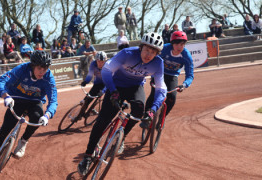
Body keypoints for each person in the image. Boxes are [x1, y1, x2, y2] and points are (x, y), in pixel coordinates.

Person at [77, 32, 167, 176]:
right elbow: (106, 70)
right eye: (147, 50)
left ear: (157, 54)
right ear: (141, 47)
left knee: (139, 110)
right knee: (102, 122)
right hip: (116, 85)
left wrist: (153, 109)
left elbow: (161, 89)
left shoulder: (158, 63)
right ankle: (87, 156)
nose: (149, 55)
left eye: (153, 52)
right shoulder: (127, 53)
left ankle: (122, 136)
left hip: (135, 87)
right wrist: (113, 91)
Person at [0, 50, 58, 178]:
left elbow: (53, 100)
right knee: (4, 130)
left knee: (37, 118)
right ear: (33, 66)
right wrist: (5, 96)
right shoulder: (21, 69)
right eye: (39, 68)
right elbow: (1, 81)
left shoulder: (48, 77)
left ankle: (23, 141)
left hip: (35, 102)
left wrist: (48, 115)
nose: (42, 71)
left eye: (45, 68)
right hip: (16, 99)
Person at [142, 31, 194, 128]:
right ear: (172, 43)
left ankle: (162, 117)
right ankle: (146, 117)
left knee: (172, 97)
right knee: (154, 93)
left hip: (172, 76)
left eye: (182, 44)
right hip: (158, 73)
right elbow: (152, 60)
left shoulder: (186, 56)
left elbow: (190, 75)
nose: (180, 47)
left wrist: (184, 84)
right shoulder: (164, 49)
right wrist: (152, 75)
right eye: (177, 44)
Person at [79, 51, 108, 117]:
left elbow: (109, 81)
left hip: (106, 84)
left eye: (102, 61)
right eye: (98, 61)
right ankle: (80, 115)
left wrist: (103, 91)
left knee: (106, 101)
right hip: (97, 83)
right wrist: (85, 82)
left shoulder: (108, 66)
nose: (100, 63)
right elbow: (90, 75)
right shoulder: (93, 64)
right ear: (96, 60)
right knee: (87, 99)